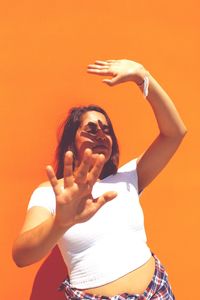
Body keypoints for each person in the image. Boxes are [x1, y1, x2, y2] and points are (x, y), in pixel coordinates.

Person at [12, 59, 187, 299]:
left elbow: (175, 133)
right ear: (72, 141)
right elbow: (21, 256)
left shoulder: (129, 176)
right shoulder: (52, 192)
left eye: (107, 130)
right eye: (91, 129)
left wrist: (142, 76)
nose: (101, 135)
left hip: (157, 290)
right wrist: (61, 222)